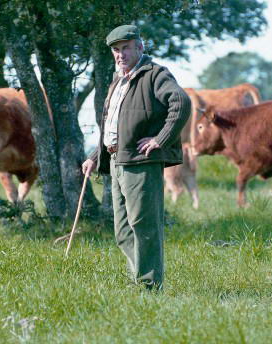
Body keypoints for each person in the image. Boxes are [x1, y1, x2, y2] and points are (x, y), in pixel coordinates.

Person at [82, 24, 191, 290]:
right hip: (117, 160)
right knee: (123, 231)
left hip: (141, 162)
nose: (120, 54)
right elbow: (114, 127)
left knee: (144, 226)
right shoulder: (117, 81)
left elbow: (181, 103)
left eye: (126, 48)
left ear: (140, 47)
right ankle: (140, 279)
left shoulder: (155, 74)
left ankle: (149, 286)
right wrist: (95, 156)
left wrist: (159, 139)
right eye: (116, 50)